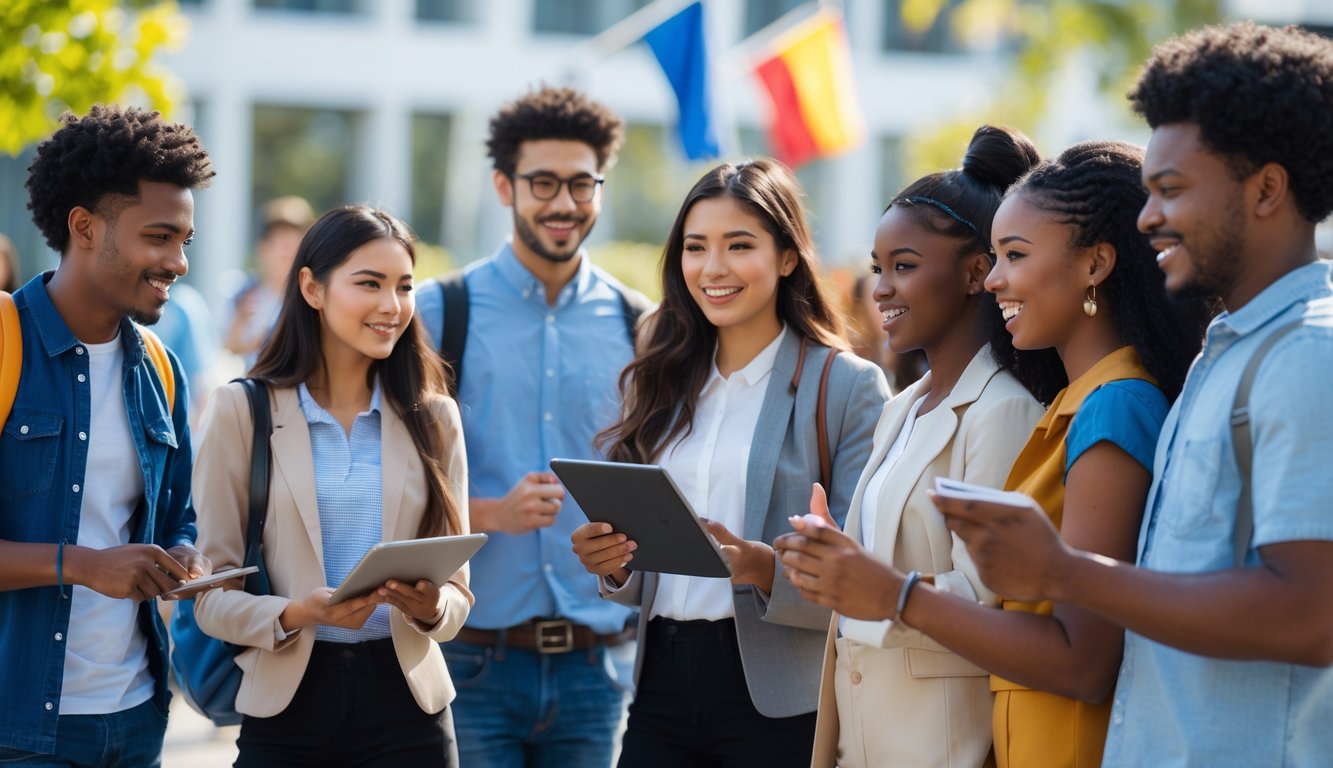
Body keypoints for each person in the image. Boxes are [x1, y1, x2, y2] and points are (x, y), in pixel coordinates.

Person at [935, 22, 1333, 767]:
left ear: (1267, 190)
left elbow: (1309, 614)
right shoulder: (1223, 360)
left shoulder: (1306, 354)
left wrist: (1061, 572)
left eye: (1170, 190)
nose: (1147, 215)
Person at [782, 139, 1211, 767]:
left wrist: (894, 594)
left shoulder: (1114, 405)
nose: (997, 279)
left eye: (1014, 255)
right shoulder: (1077, 405)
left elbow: (1083, 659)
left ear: (1095, 265)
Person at [571, 158, 891, 767]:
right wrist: (613, 564)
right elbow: (645, 560)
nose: (713, 268)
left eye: (738, 245)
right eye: (696, 247)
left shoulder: (846, 386)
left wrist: (763, 567)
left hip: (780, 696)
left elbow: (864, 568)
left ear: (787, 257)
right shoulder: (659, 374)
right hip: (659, 679)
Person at [794, 125, 1055, 768]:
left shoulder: (1003, 410)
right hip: (862, 738)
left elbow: (995, 605)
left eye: (903, 267)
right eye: (878, 267)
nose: (879, 287)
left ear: (975, 273)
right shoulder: (903, 406)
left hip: (943, 746)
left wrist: (871, 584)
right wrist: (833, 559)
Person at [412, 86, 646, 766]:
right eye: (543, 183)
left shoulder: (641, 325)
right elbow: (392, 479)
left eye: (580, 184)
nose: (564, 203)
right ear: (502, 186)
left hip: (596, 670)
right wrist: (487, 512)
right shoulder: (435, 313)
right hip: (472, 661)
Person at [192, 206, 473, 767]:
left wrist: (429, 606)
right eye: (369, 284)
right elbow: (210, 598)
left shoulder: (434, 417)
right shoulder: (241, 410)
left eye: (404, 287)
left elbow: (459, 597)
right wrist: (300, 612)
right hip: (288, 706)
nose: (391, 307)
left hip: (409, 710)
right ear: (311, 288)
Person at [0, 105, 213, 765]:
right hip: (16, 729)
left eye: (185, 240)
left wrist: (184, 558)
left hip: (137, 718)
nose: (177, 261)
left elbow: (179, 517)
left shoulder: (161, 369)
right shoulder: (6, 344)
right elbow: (93, 559)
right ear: (85, 227)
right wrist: (84, 566)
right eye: (159, 236)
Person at [222, 195, 315, 368]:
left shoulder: (313, 296)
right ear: (262, 248)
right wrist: (241, 323)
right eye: (280, 243)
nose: (287, 252)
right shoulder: (244, 293)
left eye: (294, 243)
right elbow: (229, 349)